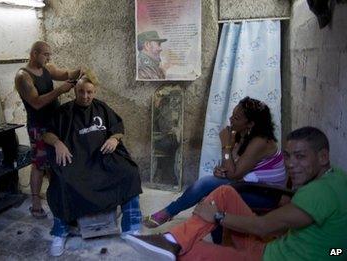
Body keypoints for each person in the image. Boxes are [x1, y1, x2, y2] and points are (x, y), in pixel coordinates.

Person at [125, 126, 347, 260]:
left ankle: (174, 242)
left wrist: (218, 217)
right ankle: (173, 238)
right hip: (275, 248)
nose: (290, 164)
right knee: (223, 193)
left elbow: (264, 226)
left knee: (183, 254)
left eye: (300, 157)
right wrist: (332, 254)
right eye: (288, 156)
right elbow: (336, 250)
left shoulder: (319, 192)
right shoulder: (337, 177)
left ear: (323, 157)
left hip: (267, 257)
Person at [144, 97, 286, 232]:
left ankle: (169, 216)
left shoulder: (260, 141)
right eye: (232, 115)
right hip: (247, 185)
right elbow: (229, 166)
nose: (230, 120)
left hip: (265, 195)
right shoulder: (242, 135)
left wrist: (225, 145)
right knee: (208, 190)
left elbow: (233, 173)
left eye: (236, 118)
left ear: (251, 124)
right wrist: (221, 170)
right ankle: (173, 218)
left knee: (207, 189)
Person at [42, 73, 142, 256]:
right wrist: (57, 143)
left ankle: (131, 227)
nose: (85, 96)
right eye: (81, 92)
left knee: (130, 172)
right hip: (76, 161)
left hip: (102, 158)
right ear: (75, 90)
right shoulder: (64, 112)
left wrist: (114, 138)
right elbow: (46, 133)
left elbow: (118, 128)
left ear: (94, 92)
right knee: (61, 182)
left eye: (89, 92)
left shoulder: (101, 107)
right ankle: (60, 233)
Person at [14, 41, 81, 219]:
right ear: (34, 53)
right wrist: (60, 90)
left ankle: (55, 195)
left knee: (54, 162)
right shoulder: (23, 76)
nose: (48, 58)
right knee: (39, 163)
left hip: (54, 123)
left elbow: (66, 73)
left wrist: (82, 71)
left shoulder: (47, 68)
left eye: (49, 54)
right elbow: (36, 103)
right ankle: (35, 203)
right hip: (38, 125)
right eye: (45, 54)